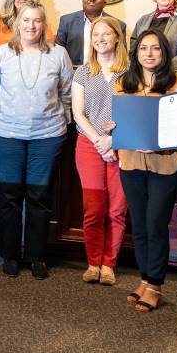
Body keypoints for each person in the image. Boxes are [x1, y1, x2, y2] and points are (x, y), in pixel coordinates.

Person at [0, 2, 72, 279]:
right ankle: (10, 255)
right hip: (7, 136)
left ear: (44, 25)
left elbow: (68, 94)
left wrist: (62, 122)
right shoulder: (2, 54)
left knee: (39, 196)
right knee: (10, 196)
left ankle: (36, 256)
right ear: (17, 23)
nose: (31, 26)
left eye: (37, 21)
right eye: (26, 20)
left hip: (46, 138)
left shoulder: (59, 54)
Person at [114, 30, 177, 311]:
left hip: (165, 165)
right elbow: (116, 121)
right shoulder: (124, 83)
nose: (149, 53)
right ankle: (145, 279)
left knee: (156, 224)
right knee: (140, 225)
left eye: (155, 49)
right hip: (131, 162)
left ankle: (155, 285)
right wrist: (114, 128)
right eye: (143, 48)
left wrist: (157, 145)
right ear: (136, 53)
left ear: (164, 53)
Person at [71, 17, 129, 285]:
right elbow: (78, 113)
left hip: (121, 146)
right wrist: (99, 140)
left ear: (117, 37)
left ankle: (109, 264)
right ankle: (93, 262)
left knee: (117, 209)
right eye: (96, 34)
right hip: (89, 146)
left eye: (107, 34)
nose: (101, 38)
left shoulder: (130, 71)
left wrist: (113, 140)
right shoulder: (83, 72)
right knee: (93, 208)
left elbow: (137, 110)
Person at [54, 0, 127, 66]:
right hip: (72, 72)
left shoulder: (118, 25)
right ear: (83, 1)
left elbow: (121, 54)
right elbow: (58, 51)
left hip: (106, 72)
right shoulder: (67, 21)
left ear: (104, 3)